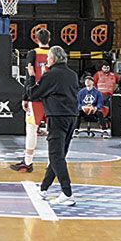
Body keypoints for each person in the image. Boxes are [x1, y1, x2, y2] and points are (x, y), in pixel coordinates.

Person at [28, 45, 81, 206]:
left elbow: (33, 93)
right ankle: (44, 188)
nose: (47, 60)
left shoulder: (51, 74)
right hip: (72, 117)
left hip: (57, 117)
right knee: (59, 155)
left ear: (54, 59)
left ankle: (67, 193)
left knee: (55, 156)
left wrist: (31, 77)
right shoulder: (72, 74)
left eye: (49, 58)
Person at [9, 29, 52, 173]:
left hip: (36, 95)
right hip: (52, 97)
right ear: (49, 38)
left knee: (31, 129)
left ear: (36, 39)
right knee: (53, 131)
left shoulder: (33, 53)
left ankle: (27, 162)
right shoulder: (55, 53)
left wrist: (25, 97)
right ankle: (52, 163)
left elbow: (30, 75)